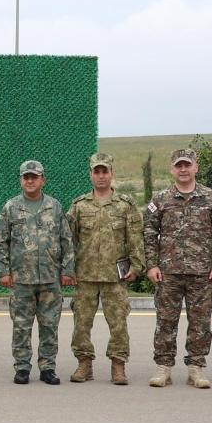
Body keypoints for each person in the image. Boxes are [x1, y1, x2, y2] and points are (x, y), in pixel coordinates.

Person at [143, 147, 212, 389]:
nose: (183, 169)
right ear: (172, 169)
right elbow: (149, 233)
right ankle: (163, 368)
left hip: (202, 271)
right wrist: (151, 264)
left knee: (200, 323)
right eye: (179, 165)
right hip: (168, 272)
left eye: (187, 165)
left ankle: (196, 368)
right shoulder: (160, 199)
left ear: (195, 167)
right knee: (165, 322)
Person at [65, 153, 145, 385]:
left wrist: (137, 266)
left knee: (119, 324)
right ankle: (84, 364)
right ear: (91, 175)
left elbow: (135, 238)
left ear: (112, 174)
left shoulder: (125, 205)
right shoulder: (79, 205)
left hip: (115, 276)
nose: (101, 176)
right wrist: (68, 269)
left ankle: (118, 366)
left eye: (105, 171)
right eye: (96, 172)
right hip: (85, 275)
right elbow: (68, 240)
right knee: (81, 323)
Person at [0, 160, 73, 385]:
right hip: (21, 279)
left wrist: (67, 270)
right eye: (26, 177)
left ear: (42, 180)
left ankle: (48, 368)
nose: (30, 181)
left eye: (34, 177)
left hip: (50, 278)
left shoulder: (54, 206)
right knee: (21, 326)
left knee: (49, 325)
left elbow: (66, 240)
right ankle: (22, 368)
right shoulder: (11, 207)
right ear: (21, 180)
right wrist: (3, 271)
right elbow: (0, 241)